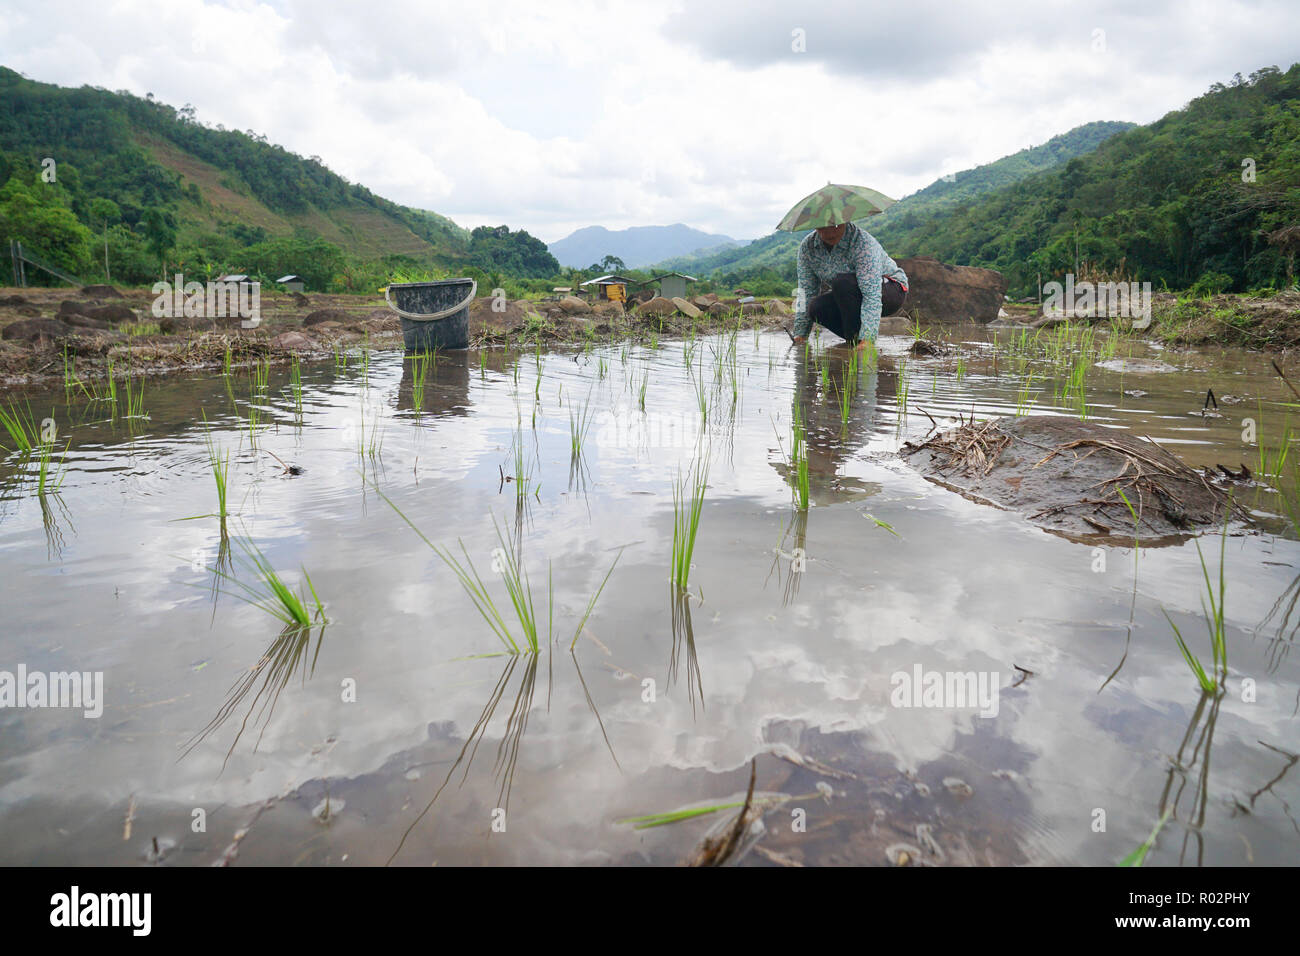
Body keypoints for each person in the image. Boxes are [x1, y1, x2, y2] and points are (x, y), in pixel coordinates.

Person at [791, 220, 908, 349]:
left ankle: (865, 341)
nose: (829, 233)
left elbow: (871, 294)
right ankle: (853, 341)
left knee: (842, 283)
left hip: (890, 289)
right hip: (849, 293)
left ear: (845, 220)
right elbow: (805, 291)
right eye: (822, 227)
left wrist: (868, 339)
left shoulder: (862, 243)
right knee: (816, 307)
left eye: (835, 226)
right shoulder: (808, 247)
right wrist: (800, 335)